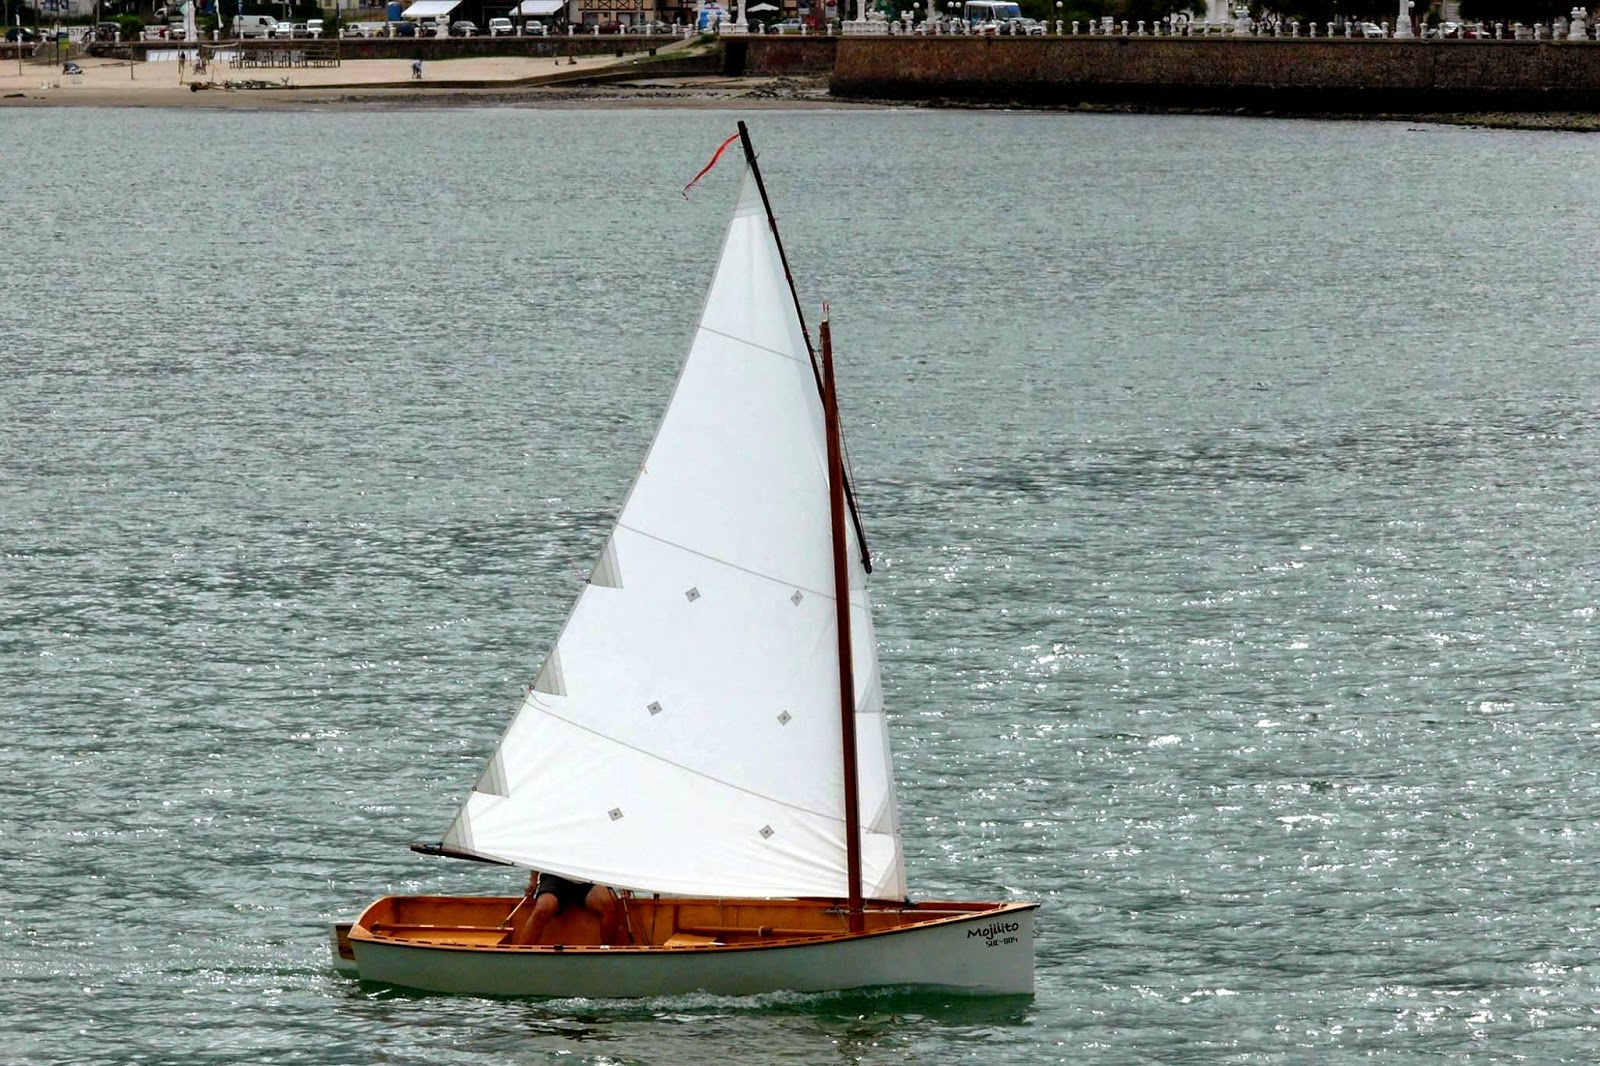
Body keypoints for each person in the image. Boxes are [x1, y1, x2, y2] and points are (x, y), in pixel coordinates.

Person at [507, 871, 620, 945]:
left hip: (588, 877)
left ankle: (607, 952)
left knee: (610, 905)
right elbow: (539, 845)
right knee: (543, 909)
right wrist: (533, 879)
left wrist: (624, 882)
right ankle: (521, 952)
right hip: (555, 876)